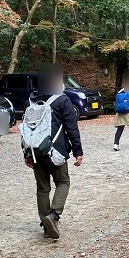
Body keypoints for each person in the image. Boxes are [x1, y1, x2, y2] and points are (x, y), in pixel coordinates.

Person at [22, 72, 83, 240]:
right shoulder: (62, 100)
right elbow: (71, 128)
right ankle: (53, 216)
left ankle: (46, 225)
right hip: (55, 151)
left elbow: (26, 128)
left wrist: (26, 152)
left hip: (35, 151)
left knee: (42, 188)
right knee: (63, 182)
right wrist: (78, 151)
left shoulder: (31, 100)